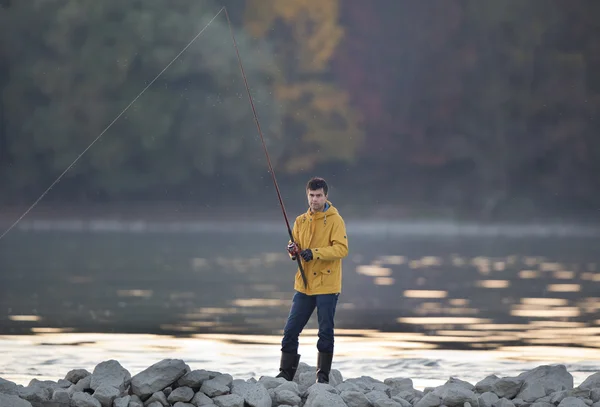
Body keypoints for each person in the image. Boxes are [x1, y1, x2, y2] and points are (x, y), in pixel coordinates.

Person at [275, 177, 349, 384]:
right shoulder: (300, 220)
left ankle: (322, 376)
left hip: (327, 285)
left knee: (325, 331)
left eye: (318, 196)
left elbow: (342, 249)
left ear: (326, 196)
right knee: (291, 329)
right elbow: (295, 247)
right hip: (304, 285)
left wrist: (314, 253)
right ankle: (285, 373)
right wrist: (293, 250)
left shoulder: (336, 220)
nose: (314, 200)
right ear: (307, 195)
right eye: (311, 195)